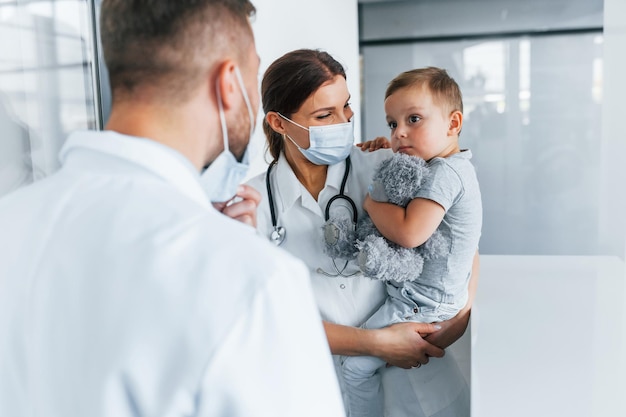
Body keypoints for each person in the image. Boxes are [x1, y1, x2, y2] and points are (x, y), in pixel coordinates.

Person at [0, 2, 346, 416]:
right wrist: (220, 251)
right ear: (229, 84)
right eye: (254, 75)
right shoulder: (251, 279)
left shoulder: (11, 223)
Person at [247, 49, 479, 417]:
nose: (344, 122)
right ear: (279, 123)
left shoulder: (389, 165)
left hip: (420, 380)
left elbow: (460, 242)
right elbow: (264, 318)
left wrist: (452, 322)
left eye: (347, 107)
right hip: (317, 390)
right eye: (325, 115)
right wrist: (376, 344)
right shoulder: (252, 206)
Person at [341, 67, 482, 417]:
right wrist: (383, 148)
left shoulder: (445, 173)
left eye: (414, 119)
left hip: (422, 305)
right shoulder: (454, 166)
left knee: (354, 369)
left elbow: (409, 232)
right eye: (392, 124)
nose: (399, 133)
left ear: (453, 124)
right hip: (435, 298)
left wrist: (373, 204)